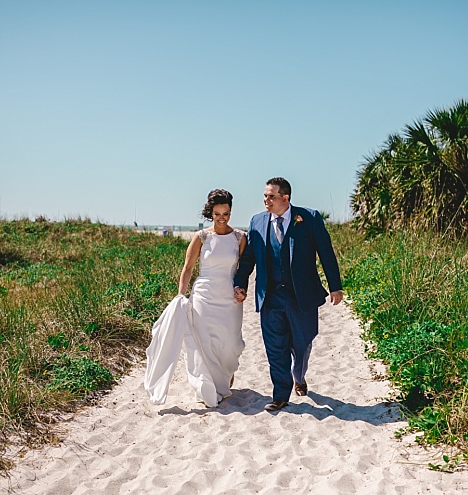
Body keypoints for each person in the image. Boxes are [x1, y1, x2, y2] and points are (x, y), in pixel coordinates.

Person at [233, 177, 343, 412]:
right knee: (275, 347)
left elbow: (326, 252)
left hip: (301, 295)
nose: (266, 200)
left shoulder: (309, 218)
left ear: (285, 198)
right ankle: (280, 395)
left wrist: (335, 285)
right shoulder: (257, 222)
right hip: (270, 296)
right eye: (264, 196)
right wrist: (240, 282)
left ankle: (299, 374)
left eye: (271, 196)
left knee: (302, 344)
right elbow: (249, 257)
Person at [143, 189, 247, 408]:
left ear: (231, 212)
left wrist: (241, 288)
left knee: (231, 344)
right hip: (203, 296)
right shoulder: (202, 237)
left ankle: (225, 376)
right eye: (217, 214)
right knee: (205, 342)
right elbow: (188, 268)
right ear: (211, 213)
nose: (221, 218)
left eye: (226, 213)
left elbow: (242, 270)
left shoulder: (239, 237)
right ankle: (208, 384)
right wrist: (181, 295)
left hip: (229, 297)